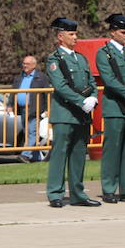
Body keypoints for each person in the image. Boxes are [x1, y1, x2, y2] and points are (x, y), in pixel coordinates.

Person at [45, 18, 100, 208]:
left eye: (76, 34)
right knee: (60, 154)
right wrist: (81, 101)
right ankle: (55, 193)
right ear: (61, 37)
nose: (75, 37)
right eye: (71, 34)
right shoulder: (55, 59)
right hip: (64, 113)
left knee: (78, 154)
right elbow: (60, 85)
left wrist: (92, 97)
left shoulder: (81, 58)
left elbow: (91, 82)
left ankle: (78, 193)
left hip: (81, 115)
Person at [95, 15, 125, 204]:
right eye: (123, 32)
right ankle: (108, 188)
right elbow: (109, 80)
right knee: (112, 148)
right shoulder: (103, 53)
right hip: (115, 106)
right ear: (112, 32)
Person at [14, 54, 51, 163]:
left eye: (27, 64)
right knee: (28, 133)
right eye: (23, 63)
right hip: (22, 109)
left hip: (35, 109)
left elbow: (47, 94)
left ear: (34, 65)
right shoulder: (20, 77)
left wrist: (48, 108)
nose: (24, 65)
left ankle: (25, 155)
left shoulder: (41, 77)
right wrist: (11, 105)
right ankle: (35, 157)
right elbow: (13, 92)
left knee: (33, 133)